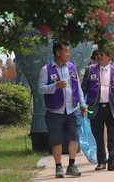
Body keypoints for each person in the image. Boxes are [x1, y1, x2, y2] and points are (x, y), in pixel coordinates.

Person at [38, 41, 86, 178]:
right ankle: (58, 167)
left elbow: (78, 87)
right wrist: (54, 86)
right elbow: (40, 89)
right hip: (55, 111)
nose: (68, 54)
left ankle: (72, 165)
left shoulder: (71, 67)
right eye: (65, 51)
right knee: (56, 140)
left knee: (73, 138)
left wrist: (82, 103)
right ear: (58, 53)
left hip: (72, 109)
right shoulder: (46, 69)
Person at [81, 49, 114, 171]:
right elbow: (83, 88)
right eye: (97, 55)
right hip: (96, 108)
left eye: (102, 54)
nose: (99, 57)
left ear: (109, 56)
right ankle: (101, 161)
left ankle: (113, 160)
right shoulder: (90, 70)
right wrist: (80, 102)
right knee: (98, 136)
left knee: (113, 135)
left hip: (112, 107)